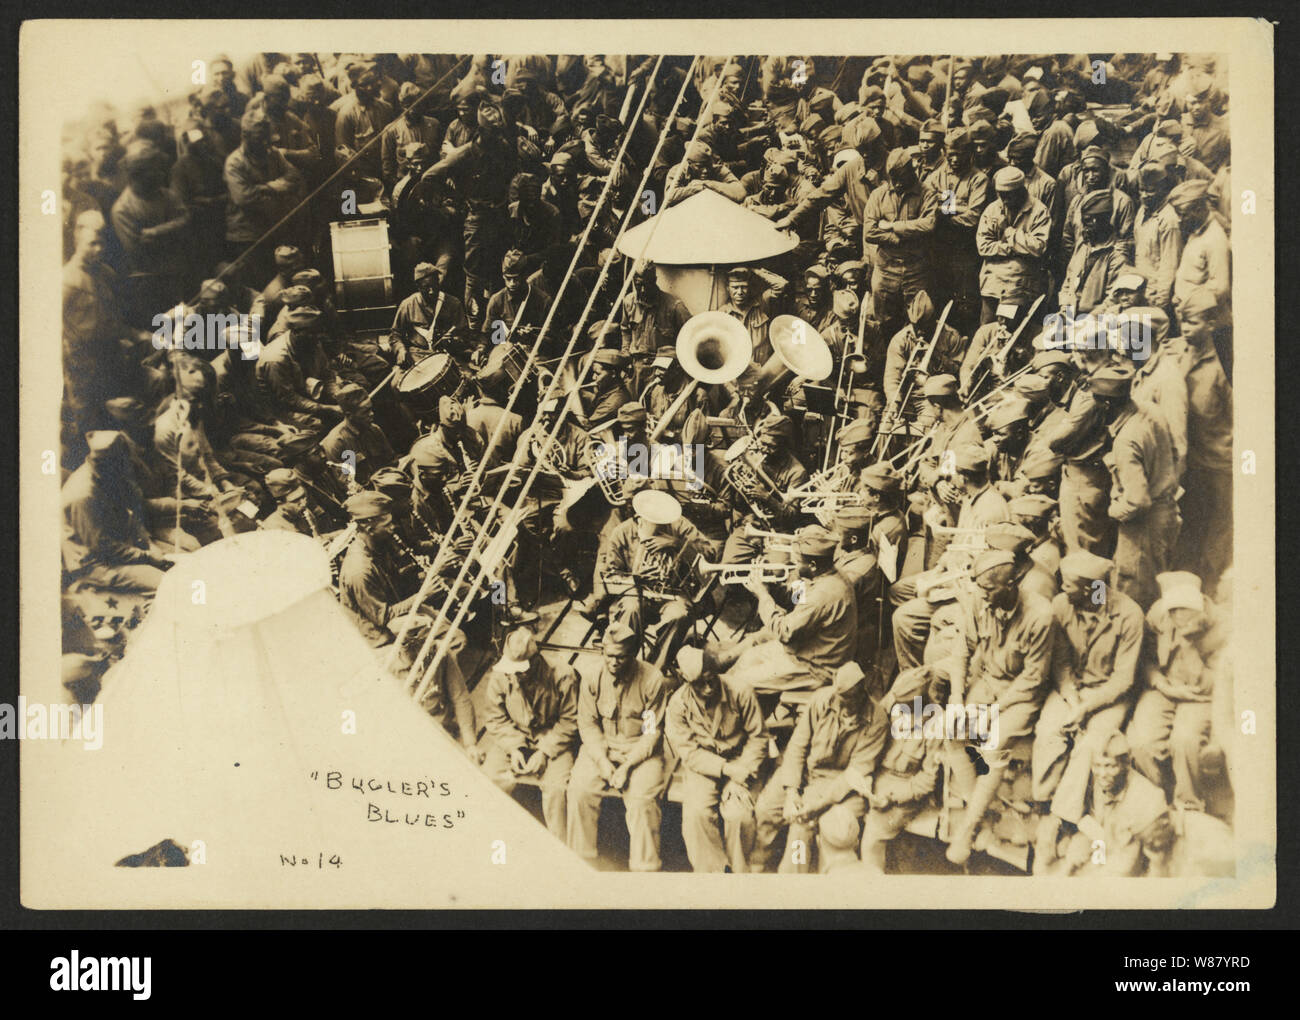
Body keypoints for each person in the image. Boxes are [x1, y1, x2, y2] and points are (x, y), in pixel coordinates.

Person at [1032, 550, 1144, 862]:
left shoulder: (1130, 615)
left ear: (1092, 589)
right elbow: (1061, 662)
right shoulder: (1061, 605)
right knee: (1049, 731)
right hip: (1071, 690)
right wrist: (1072, 700)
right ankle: (1041, 805)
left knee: (1090, 745)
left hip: (1110, 696)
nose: (1062, 590)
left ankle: (1063, 819)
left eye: (1068, 586)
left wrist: (1086, 708)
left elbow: (1123, 679)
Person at [944, 549, 1054, 865]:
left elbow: (1033, 679)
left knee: (995, 747)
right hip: (989, 682)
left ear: (1010, 585)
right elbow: (961, 651)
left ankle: (968, 828)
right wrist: (956, 696)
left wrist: (995, 709)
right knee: (952, 732)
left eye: (989, 589)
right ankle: (979, 808)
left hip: (1020, 695)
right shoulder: (979, 600)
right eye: (980, 589)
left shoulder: (1040, 615)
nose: (982, 595)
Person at [751, 661, 889, 873]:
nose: (841, 704)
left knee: (803, 824)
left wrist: (815, 805)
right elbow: (798, 746)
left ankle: (792, 883)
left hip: (839, 783)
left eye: (849, 699)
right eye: (839, 697)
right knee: (766, 809)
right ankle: (757, 869)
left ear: (862, 694)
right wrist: (791, 792)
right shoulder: (822, 700)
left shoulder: (877, 718)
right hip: (805, 772)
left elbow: (854, 774)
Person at [567, 622, 670, 872]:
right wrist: (602, 760)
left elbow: (651, 732)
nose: (614, 663)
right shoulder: (592, 676)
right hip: (602, 746)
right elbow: (588, 724)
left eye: (621, 657)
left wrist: (626, 765)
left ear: (633, 654)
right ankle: (581, 862)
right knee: (579, 790)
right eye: (609, 656)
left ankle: (644, 870)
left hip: (641, 752)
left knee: (642, 801)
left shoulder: (653, 680)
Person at [716, 525, 858, 696]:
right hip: (807, 650)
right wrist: (771, 585)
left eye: (798, 562)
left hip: (816, 667)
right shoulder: (825, 575)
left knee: (736, 684)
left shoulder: (823, 594)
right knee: (746, 660)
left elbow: (785, 631)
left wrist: (763, 595)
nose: (795, 568)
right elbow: (796, 600)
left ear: (813, 565)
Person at [665, 645, 767, 873]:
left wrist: (740, 773)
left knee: (738, 815)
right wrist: (726, 770)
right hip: (704, 765)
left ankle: (740, 874)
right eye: (700, 683)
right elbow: (689, 753)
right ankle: (713, 876)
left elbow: (759, 737)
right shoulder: (678, 705)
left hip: (743, 761)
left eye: (712, 680)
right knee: (696, 816)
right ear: (685, 680)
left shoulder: (740, 691)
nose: (709, 688)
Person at [479, 627, 580, 839]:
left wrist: (544, 751)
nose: (515, 674)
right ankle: (493, 840)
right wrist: (515, 748)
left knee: (556, 789)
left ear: (535, 661)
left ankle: (559, 846)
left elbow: (570, 721)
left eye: (521, 669)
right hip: (514, 735)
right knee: (490, 780)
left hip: (553, 738)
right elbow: (495, 717)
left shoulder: (563, 675)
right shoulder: (501, 674)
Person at [62, 431, 177, 593]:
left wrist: (148, 544)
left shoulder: (109, 475)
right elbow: (102, 547)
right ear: (108, 462)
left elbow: (129, 512)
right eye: (122, 461)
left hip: (122, 545)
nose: (127, 466)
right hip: (94, 564)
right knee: (168, 584)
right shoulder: (84, 495)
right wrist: (147, 556)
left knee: (180, 562)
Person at [975, 166, 1051, 325]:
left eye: (1008, 196)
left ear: (1021, 190)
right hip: (992, 281)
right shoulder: (993, 209)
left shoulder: (1039, 211)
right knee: (987, 329)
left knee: (1009, 332)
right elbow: (983, 246)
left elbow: (1038, 247)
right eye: (1000, 195)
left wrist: (1009, 233)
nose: (1004, 200)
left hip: (1020, 283)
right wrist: (1014, 248)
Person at [386, 262, 471, 368]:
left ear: (438, 282)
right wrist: (400, 350)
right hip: (418, 357)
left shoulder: (453, 303)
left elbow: (465, 335)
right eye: (426, 287)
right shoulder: (407, 305)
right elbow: (395, 335)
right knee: (396, 384)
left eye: (434, 286)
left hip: (447, 356)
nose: (431, 291)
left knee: (467, 378)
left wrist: (454, 341)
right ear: (418, 286)